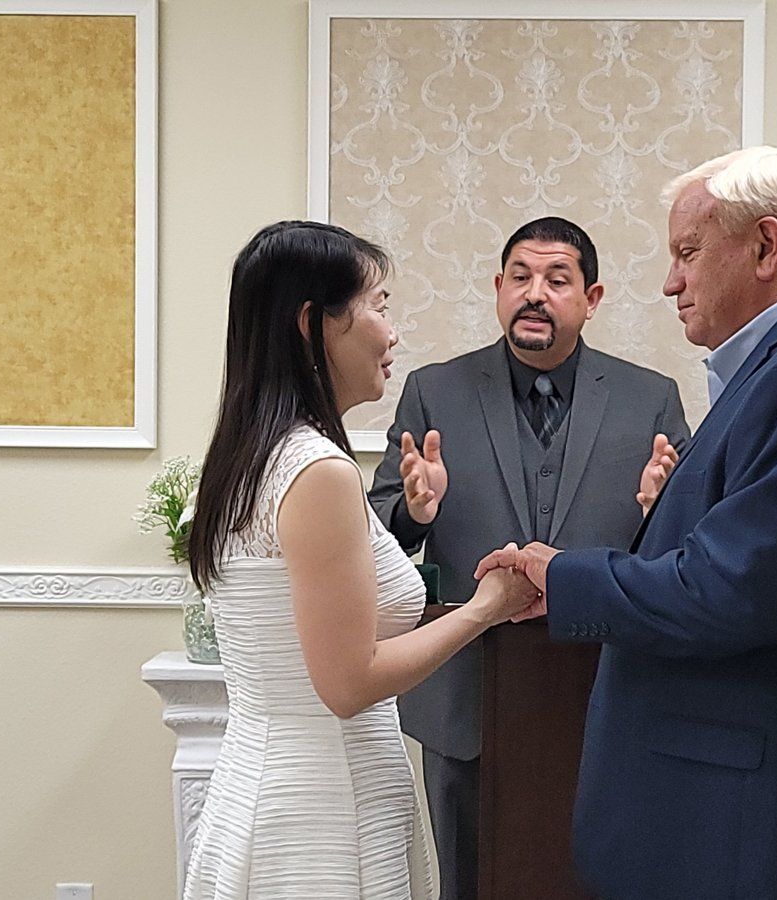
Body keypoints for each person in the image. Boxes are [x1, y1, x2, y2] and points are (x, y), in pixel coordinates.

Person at [477, 148, 777, 898]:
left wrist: (562, 576)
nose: (671, 281)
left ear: (766, 246)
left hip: (769, 827)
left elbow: (731, 590)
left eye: (687, 253)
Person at [183, 221, 538, 899]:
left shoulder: (254, 452)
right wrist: (485, 609)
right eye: (379, 305)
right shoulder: (315, 469)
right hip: (321, 809)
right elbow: (348, 683)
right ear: (315, 323)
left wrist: (417, 517)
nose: (393, 331)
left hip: (272, 783)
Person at [369, 216, 690, 899]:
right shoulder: (436, 391)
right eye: (520, 278)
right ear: (497, 288)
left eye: (556, 279)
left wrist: (662, 510)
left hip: (602, 693)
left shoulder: (650, 397)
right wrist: (414, 510)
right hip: (465, 702)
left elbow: (687, 555)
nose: (534, 293)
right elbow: (378, 531)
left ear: (592, 298)